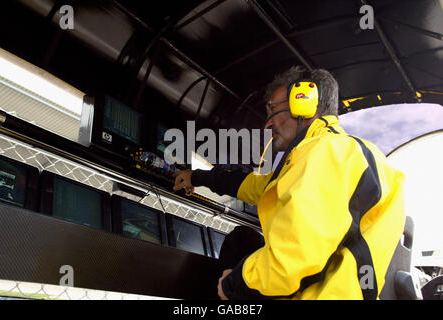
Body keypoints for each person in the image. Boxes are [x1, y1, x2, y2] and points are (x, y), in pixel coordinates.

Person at [173, 66, 405, 300]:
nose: (267, 124)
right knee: (242, 239)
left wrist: (234, 285)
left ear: (304, 101)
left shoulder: (326, 152)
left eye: (273, 109)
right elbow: (257, 187)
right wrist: (197, 177)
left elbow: (296, 256)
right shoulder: (343, 154)